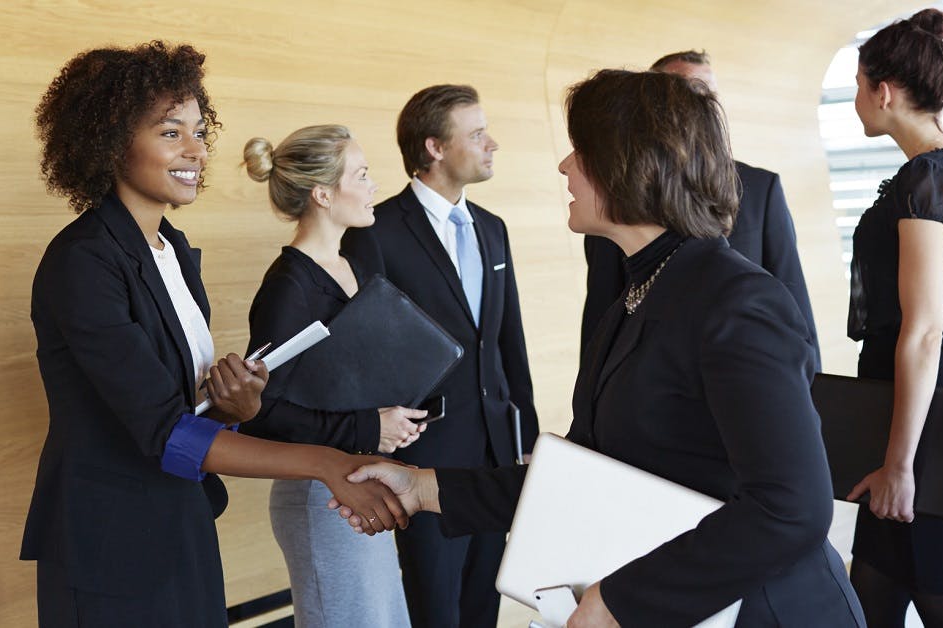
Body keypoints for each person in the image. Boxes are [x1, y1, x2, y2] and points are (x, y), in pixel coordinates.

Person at [337, 69, 865, 628]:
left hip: (768, 612)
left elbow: (792, 510)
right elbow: (584, 475)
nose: (565, 165)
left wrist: (621, 600)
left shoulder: (736, 302)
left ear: (629, 164)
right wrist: (421, 489)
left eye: (581, 150)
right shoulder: (636, 296)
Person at [19, 42, 405, 628]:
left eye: (199, 131)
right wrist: (325, 462)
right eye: (171, 132)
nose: (196, 150)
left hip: (179, 520)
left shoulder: (172, 250)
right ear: (109, 141)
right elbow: (165, 431)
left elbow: (190, 414)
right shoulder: (83, 262)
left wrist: (237, 404)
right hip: (110, 545)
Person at [340, 84, 539, 628]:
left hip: (497, 456)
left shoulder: (493, 230)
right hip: (423, 458)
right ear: (433, 147)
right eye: (477, 134)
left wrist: (526, 444)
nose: (491, 143)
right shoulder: (374, 232)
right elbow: (363, 359)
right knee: (434, 610)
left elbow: (507, 346)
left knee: (483, 605)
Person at [842, 8, 943, 628]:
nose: (856, 99)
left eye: (857, 85)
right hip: (904, 410)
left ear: (883, 91)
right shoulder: (933, 175)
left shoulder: (929, 179)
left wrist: (901, 463)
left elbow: (926, 328)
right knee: (871, 601)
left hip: (924, 424)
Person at [239, 125, 423, 628]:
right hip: (319, 497)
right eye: (362, 175)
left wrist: (395, 419)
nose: (373, 187)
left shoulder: (355, 267)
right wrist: (369, 427)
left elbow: (350, 383)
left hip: (363, 483)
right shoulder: (287, 288)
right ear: (323, 194)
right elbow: (262, 414)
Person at [580, 50, 819, 370]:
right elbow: (602, 313)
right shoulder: (614, 198)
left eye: (707, 93)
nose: (698, 102)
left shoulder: (761, 187)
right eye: (685, 91)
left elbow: (794, 299)